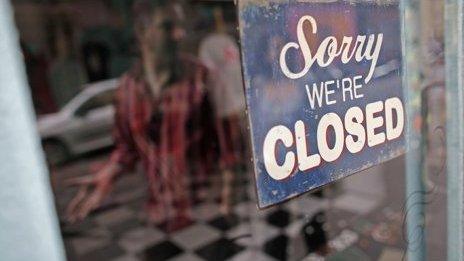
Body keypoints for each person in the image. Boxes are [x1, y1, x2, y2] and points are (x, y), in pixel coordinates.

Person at [65, 0, 209, 231]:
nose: (179, 34)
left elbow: (228, 148)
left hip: (206, 210)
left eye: (180, 26)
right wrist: (108, 175)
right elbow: (127, 148)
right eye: (167, 26)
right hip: (161, 215)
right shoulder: (128, 88)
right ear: (143, 32)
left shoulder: (200, 76)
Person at [198, 7, 246, 214]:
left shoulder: (221, 42)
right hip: (228, 103)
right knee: (231, 149)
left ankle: (232, 193)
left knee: (235, 148)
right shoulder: (214, 43)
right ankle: (229, 196)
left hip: (234, 102)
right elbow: (206, 75)